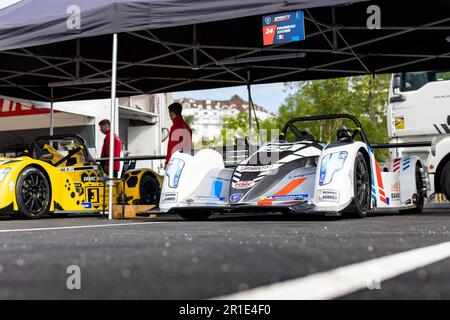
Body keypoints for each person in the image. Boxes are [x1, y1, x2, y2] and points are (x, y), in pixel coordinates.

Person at [165, 102, 192, 168]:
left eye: (169, 113)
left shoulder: (175, 127)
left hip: (176, 162)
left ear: (173, 113)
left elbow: (171, 146)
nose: (169, 115)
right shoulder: (187, 126)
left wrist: (167, 162)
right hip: (186, 160)